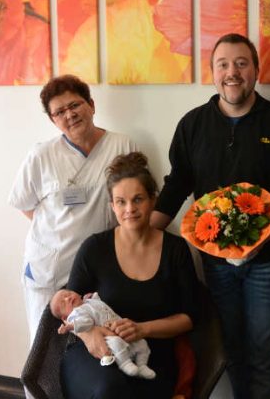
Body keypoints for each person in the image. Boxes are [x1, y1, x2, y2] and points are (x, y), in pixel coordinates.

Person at [150, 33, 270, 399]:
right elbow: (177, 185)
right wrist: (140, 235)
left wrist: (262, 235)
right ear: (212, 73)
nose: (232, 72)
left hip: (267, 262)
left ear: (255, 70)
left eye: (241, 63)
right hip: (215, 264)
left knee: (265, 353)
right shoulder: (192, 125)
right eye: (223, 65)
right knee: (231, 349)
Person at [8, 75, 137, 342]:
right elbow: (24, 204)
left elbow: (134, 200)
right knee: (43, 349)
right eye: (60, 112)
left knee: (93, 344)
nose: (70, 114)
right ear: (53, 120)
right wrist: (63, 230)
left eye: (75, 105)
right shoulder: (41, 155)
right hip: (50, 270)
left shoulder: (122, 146)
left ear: (91, 104)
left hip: (97, 269)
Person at [61, 151, 197, 399]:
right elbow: (69, 305)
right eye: (121, 202)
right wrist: (88, 334)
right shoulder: (94, 248)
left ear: (153, 200)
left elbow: (189, 317)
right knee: (109, 389)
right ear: (112, 206)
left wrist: (142, 329)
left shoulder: (176, 250)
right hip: (96, 353)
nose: (130, 209)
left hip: (150, 357)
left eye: (138, 199)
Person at [51, 289, 156, 379]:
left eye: (68, 294)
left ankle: (142, 365)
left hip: (121, 328)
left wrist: (92, 297)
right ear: (65, 318)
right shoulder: (77, 314)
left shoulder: (87, 302)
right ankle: (125, 363)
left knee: (141, 343)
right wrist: (70, 326)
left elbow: (99, 305)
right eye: (63, 303)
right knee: (116, 343)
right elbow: (85, 323)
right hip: (108, 337)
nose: (68, 298)